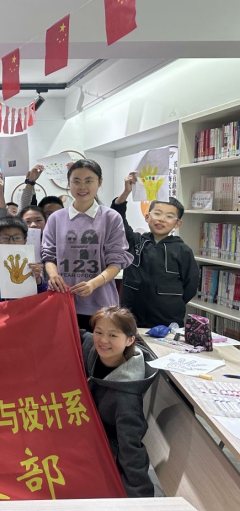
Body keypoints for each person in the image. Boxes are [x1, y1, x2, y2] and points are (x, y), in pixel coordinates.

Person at [42, 159, 133, 330]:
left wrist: (93, 284)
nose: (82, 186)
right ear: (69, 183)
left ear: (100, 181)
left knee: (99, 346)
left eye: (89, 181)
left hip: (100, 305)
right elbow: (49, 256)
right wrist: (53, 275)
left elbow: (116, 262)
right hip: (62, 301)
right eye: (76, 181)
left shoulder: (111, 217)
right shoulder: (56, 218)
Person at [80, 306, 157, 498]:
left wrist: (140, 498)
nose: (103, 340)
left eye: (113, 335)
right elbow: (75, 334)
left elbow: (130, 449)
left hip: (102, 449)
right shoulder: (92, 348)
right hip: (82, 427)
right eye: (99, 332)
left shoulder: (126, 399)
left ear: (130, 340)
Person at [112, 172, 199, 327]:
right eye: (157, 213)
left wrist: (171, 300)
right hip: (132, 314)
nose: (161, 219)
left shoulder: (182, 250)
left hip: (167, 317)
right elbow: (117, 218)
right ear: (147, 217)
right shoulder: (136, 241)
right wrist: (126, 192)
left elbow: (190, 285)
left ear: (177, 223)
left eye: (169, 216)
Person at [0, 217, 48, 305]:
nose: (11, 242)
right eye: (5, 238)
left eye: (17, 238)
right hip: (0, 312)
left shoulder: (31, 265)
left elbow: (44, 299)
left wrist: (38, 280)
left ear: (25, 241)